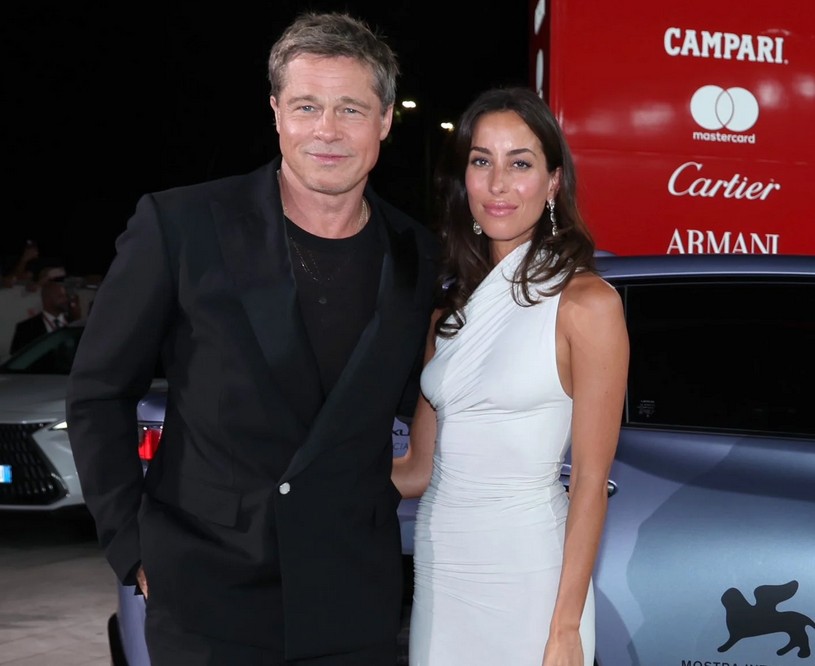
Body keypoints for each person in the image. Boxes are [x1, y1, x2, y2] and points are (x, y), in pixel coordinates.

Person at [66, 11, 439, 666]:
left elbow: (417, 395)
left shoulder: (415, 253)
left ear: (384, 120)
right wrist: (133, 548)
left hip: (353, 598)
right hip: (208, 597)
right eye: (306, 106)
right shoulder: (181, 225)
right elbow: (98, 393)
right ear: (276, 113)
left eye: (351, 109)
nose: (327, 130)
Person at [392, 86, 629, 666]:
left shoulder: (587, 304)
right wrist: (301, 469)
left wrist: (566, 627)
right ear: (464, 179)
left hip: (531, 577)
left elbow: (590, 481)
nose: (498, 184)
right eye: (482, 161)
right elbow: (418, 471)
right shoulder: (448, 318)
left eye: (519, 164)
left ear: (552, 183)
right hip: (441, 569)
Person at [9, 277, 79, 354]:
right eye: (60, 296)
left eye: (65, 296)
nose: (66, 299)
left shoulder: (75, 324)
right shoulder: (26, 329)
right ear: (46, 299)